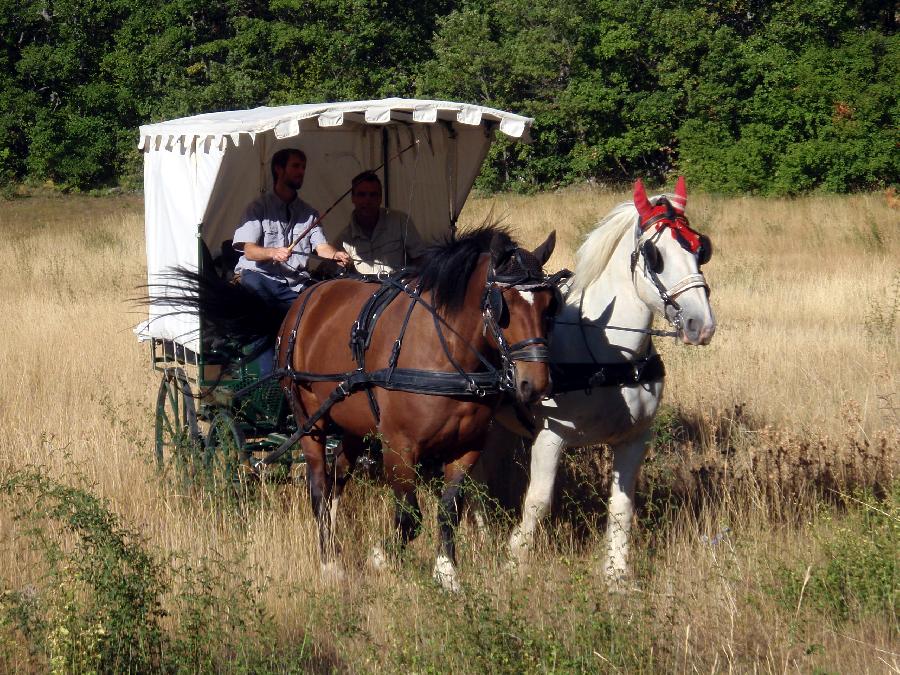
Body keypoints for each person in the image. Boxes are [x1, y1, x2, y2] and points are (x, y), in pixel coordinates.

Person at [233, 148, 351, 313]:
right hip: (261, 277)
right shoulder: (258, 208)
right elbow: (249, 251)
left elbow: (322, 247)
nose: (301, 171)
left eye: (303, 167)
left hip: (296, 283)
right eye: (296, 166)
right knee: (261, 297)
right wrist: (272, 252)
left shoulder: (309, 213)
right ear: (279, 169)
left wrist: (335, 255)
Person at [334, 171, 427, 275]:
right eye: (362, 195)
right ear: (353, 198)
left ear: (380, 198)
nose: (367, 200)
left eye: (373, 195)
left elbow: (421, 259)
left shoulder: (401, 221)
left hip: (399, 289)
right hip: (364, 291)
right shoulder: (343, 240)